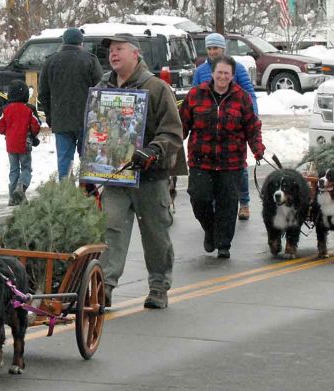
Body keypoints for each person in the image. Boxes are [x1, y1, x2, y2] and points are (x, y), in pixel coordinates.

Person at [97, 33, 186, 309]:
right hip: (115, 175)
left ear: (135, 53)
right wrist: (89, 169)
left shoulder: (157, 88)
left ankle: (159, 286)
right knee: (110, 230)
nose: (113, 54)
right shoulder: (102, 87)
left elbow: (172, 132)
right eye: (111, 50)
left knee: (156, 234)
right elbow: (94, 130)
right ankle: (105, 287)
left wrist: (153, 150)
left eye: (119, 49)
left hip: (150, 176)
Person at [180, 55, 264, 259]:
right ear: (212, 73)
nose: (223, 77)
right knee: (199, 199)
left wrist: (257, 147)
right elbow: (181, 124)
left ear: (233, 75)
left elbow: (252, 126)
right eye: (220, 72)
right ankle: (210, 230)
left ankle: (224, 243)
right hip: (201, 160)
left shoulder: (241, 97)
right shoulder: (195, 95)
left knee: (227, 203)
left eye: (227, 73)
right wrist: (170, 143)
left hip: (231, 162)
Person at [193, 33, 259, 221]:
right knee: (212, 169)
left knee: (239, 168)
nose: (213, 51)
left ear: (223, 49)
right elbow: (194, 97)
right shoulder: (200, 71)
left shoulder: (236, 68)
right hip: (208, 129)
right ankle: (215, 205)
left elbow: (249, 94)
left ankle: (244, 203)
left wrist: (252, 118)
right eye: (210, 48)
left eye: (216, 48)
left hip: (233, 127)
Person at [39, 27, 103, 181]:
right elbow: (100, 90)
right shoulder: (90, 60)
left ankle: (66, 195)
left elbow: (43, 93)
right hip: (87, 121)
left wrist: (50, 116)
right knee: (88, 161)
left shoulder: (51, 61)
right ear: (81, 42)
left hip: (61, 120)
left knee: (64, 162)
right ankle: (87, 194)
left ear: (63, 42)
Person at [0, 79, 41, 206]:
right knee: (26, 168)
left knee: (13, 170)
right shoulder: (29, 109)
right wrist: (33, 134)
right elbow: (36, 125)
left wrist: (8, 132)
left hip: (11, 145)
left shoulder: (6, 109)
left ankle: (12, 197)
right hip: (25, 144)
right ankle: (21, 187)